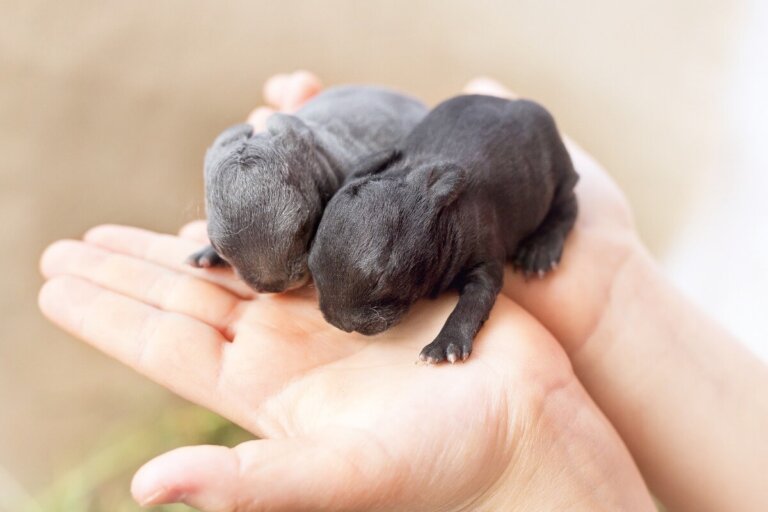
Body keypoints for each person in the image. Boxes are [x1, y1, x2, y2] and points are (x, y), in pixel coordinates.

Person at [38, 71, 768, 511]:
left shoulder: (460, 238)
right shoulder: (344, 182)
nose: (282, 289)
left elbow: (469, 261)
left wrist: (594, 313)